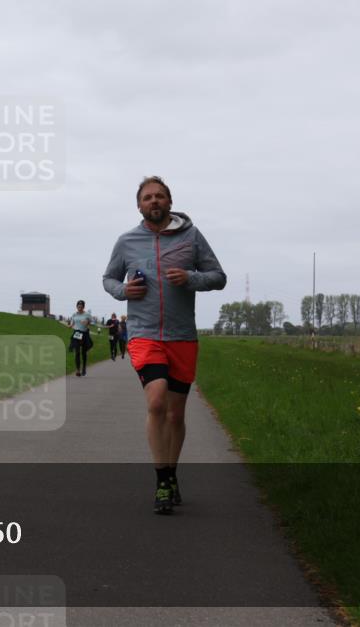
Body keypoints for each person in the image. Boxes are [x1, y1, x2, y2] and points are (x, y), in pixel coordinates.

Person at [102, 176, 226, 515]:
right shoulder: (127, 241)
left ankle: (171, 474)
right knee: (156, 402)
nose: (153, 201)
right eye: (147, 197)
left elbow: (218, 277)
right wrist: (123, 291)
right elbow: (109, 278)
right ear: (139, 205)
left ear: (169, 202)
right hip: (143, 334)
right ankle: (161, 482)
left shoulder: (191, 237)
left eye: (159, 196)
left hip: (182, 336)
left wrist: (191, 278)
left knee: (175, 414)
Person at [67, 300, 95, 376]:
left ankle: (84, 368)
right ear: (77, 307)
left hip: (84, 334)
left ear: (83, 307)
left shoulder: (87, 314)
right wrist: (70, 325)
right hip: (76, 333)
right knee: (77, 352)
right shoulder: (74, 314)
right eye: (78, 306)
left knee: (83, 352)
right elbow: (72, 323)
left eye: (81, 307)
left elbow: (93, 322)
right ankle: (78, 370)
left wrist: (88, 323)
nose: (79, 308)